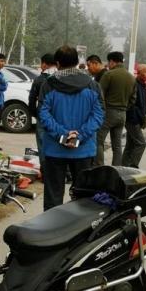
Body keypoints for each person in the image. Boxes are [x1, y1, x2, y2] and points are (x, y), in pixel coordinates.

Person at [38, 45, 104, 211]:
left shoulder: (48, 85)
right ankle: (79, 233)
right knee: (83, 197)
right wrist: (79, 136)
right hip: (84, 150)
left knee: (53, 196)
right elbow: (98, 115)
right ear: (77, 62)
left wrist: (62, 135)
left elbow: (43, 114)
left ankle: (52, 232)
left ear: (58, 63)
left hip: (54, 150)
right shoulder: (92, 85)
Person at [96, 51, 136, 166]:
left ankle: (99, 168)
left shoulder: (109, 75)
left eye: (108, 62)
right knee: (117, 145)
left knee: (98, 141)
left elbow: (100, 94)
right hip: (122, 114)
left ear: (112, 61)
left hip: (108, 112)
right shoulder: (131, 77)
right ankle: (116, 170)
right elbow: (133, 99)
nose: (108, 65)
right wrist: (124, 107)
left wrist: (102, 110)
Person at [28, 53, 57, 167]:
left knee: (42, 144)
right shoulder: (63, 78)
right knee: (60, 142)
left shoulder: (40, 80)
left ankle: (45, 172)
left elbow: (31, 99)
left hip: (43, 116)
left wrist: (35, 113)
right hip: (59, 117)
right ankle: (65, 173)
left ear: (44, 64)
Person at [122, 64, 146, 168]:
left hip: (138, 119)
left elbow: (145, 104)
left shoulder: (143, 85)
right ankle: (133, 166)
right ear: (139, 72)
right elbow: (132, 104)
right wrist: (139, 117)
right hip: (132, 119)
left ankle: (123, 166)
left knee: (130, 144)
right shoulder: (134, 84)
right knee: (141, 143)